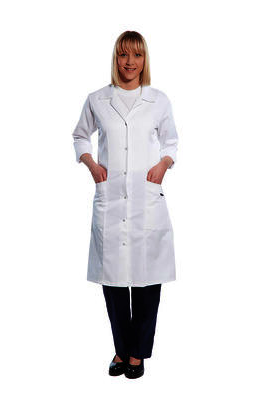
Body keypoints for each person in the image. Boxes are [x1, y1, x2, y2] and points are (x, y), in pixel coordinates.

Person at [71, 31, 179, 379]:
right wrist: (91, 164)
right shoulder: (97, 100)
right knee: (114, 282)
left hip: (147, 201)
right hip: (112, 201)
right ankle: (121, 348)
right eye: (123, 55)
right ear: (115, 58)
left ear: (145, 60)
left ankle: (137, 354)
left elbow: (171, 142)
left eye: (137, 55)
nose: (130, 62)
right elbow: (80, 135)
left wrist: (163, 165)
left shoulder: (158, 100)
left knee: (147, 282)